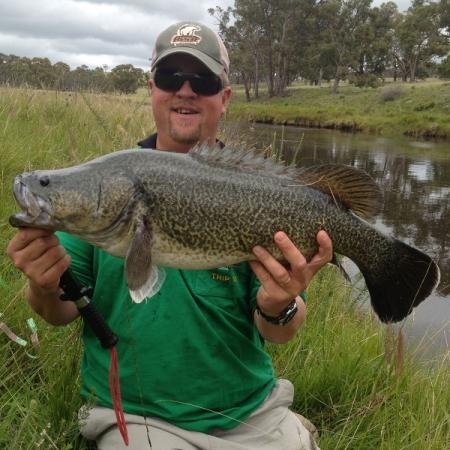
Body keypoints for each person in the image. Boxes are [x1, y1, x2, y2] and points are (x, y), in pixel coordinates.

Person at [7, 21, 332, 450]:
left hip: (249, 411)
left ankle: (290, 429)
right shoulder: (107, 189)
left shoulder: (257, 192)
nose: (185, 90)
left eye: (203, 80)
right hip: (137, 417)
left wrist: (279, 306)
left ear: (224, 97)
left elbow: (280, 332)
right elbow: (57, 313)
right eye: (170, 77)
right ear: (152, 89)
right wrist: (43, 285)